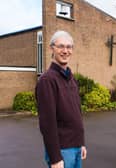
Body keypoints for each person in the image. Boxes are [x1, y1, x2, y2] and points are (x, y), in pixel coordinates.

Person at [35, 30, 87, 168]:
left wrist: (81, 142)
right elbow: (47, 123)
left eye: (69, 47)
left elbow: (77, 113)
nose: (65, 51)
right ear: (52, 48)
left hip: (76, 147)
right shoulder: (47, 80)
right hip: (62, 151)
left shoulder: (71, 78)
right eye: (61, 46)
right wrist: (55, 157)